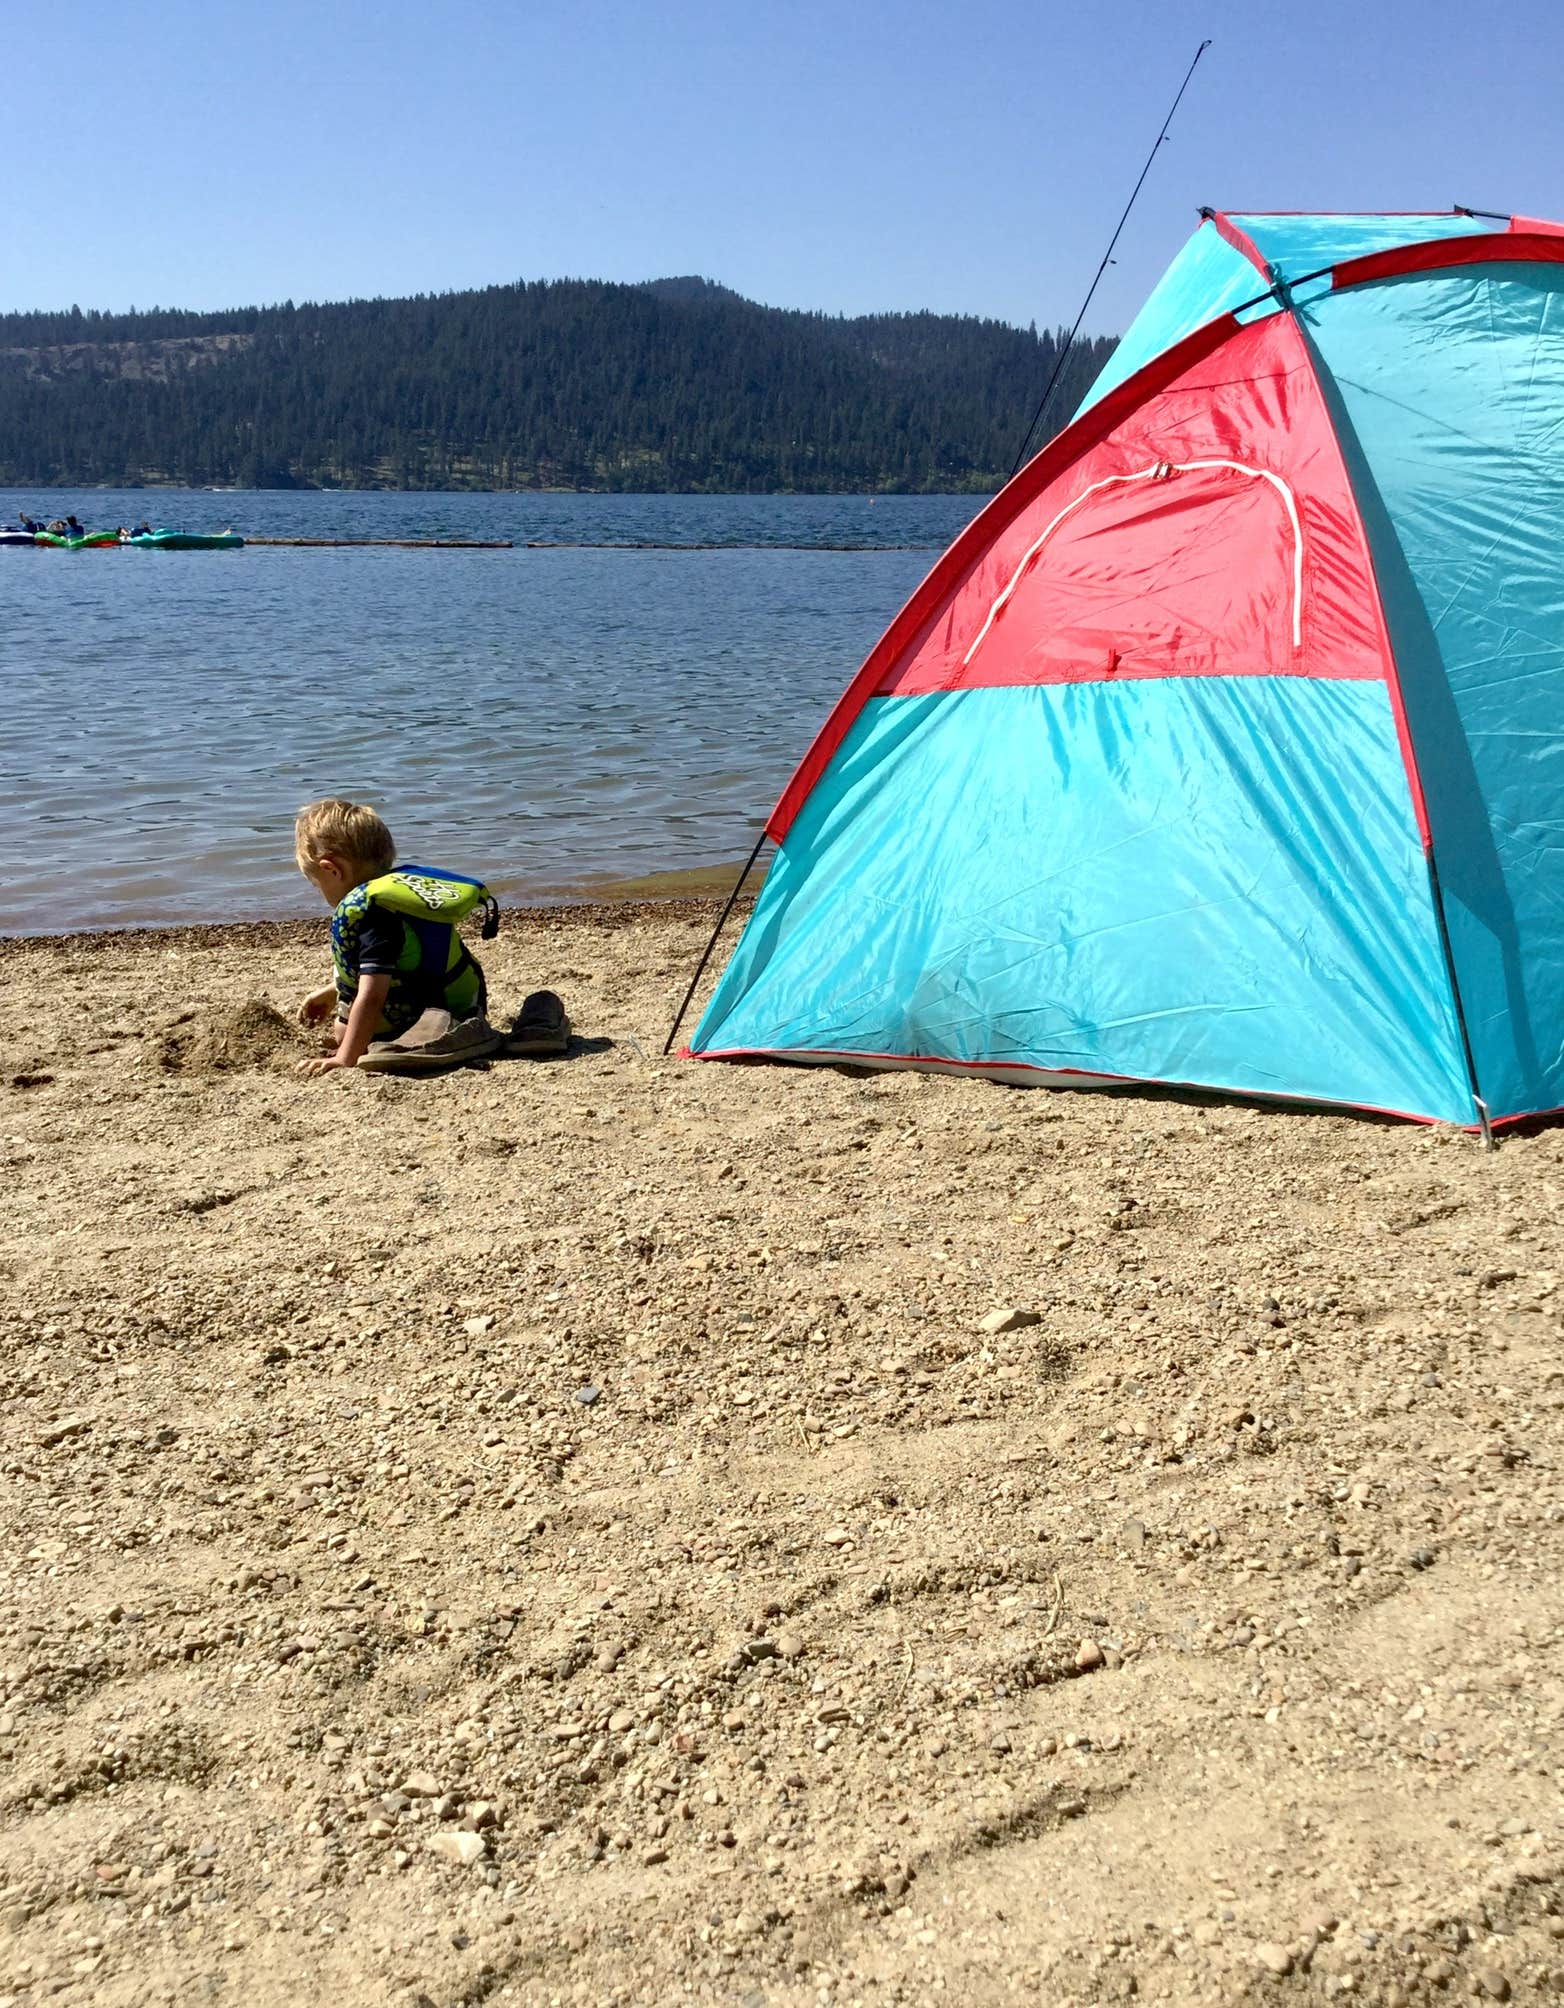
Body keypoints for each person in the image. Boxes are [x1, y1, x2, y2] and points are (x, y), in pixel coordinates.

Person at [293, 798, 504, 1076]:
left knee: (357, 1040)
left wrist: (344, 1058)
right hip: (440, 996)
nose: (319, 890)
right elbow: (401, 965)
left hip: (436, 1019)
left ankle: (448, 1037)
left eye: (316, 882)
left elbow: (373, 993)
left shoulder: (375, 917)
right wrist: (333, 992)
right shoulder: (395, 898)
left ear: (333, 869)